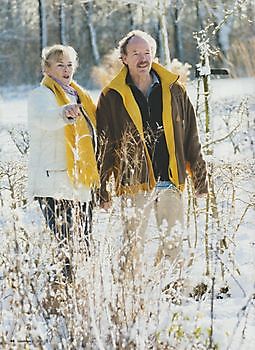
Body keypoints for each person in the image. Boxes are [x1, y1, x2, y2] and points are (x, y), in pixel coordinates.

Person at [96, 30, 208, 273]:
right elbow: (104, 145)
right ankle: (132, 299)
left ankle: (171, 292)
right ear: (124, 58)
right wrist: (102, 187)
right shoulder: (111, 96)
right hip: (134, 182)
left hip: (170, 179)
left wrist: (200, 177)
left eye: (147, 52)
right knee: (131, 245)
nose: (142, 58)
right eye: (135, 53)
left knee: (173, 243)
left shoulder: (174, 89)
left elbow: (191, 135)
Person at [28, 44, 100, 280]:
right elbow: (44, 119)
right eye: (60, 65)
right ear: (47, 69)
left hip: (80, 182)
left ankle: (83, 294)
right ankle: (61, 296)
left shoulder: (80, 95)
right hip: (54, 183)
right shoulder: (41, 95)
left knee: (85, 245)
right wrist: (64, 112)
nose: (66, 69)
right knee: (65, 248)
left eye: (69, 64)